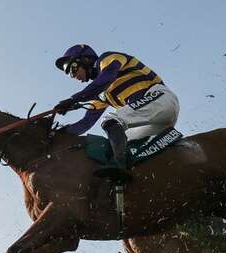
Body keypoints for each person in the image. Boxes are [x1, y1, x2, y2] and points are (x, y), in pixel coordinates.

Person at [54, 44, 180, 184]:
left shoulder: (107, 59)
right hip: (153, 119)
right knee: (122, 145)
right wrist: (60, 133)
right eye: (69, 74)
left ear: (85, 60)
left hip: (160, 98)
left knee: (110, 120)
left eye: (72, 69)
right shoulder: (102, 94)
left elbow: (105, 79)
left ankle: (118, 167)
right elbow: (86, 123)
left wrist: (74, 99)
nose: (73, 76)